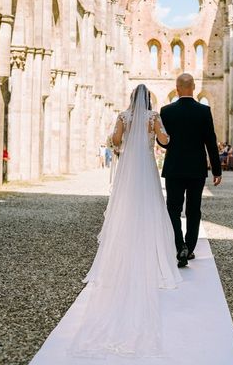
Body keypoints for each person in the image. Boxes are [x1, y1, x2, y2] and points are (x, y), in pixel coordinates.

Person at [70, 84, 181, 357]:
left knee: (126, 206)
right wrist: (164, 133)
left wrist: (114, 138)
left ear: (131, 99)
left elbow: (116, 142)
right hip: (146, 167)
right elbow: (165, 141)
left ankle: (124, 252)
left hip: (128, 170)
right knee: (151, 206)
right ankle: (152, 256)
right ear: (148, 100)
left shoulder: (123, 117)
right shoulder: (153, 118)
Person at [160, 73, 222, 267]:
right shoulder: (204, 111)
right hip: (196, 168)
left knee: (173, 209)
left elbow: (163, 142)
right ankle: (190, 247)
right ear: (193, 87)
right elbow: (210, 142)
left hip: (174, 168)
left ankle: (180, 247)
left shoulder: (166, 111)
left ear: (177, 88)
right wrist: (217, 170)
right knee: (194, 209)